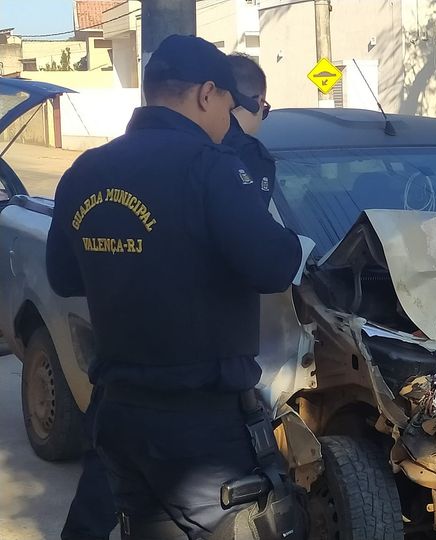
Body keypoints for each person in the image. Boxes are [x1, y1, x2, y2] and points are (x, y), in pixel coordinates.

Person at [46, 34, 306, 540]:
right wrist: (290, 240)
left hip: (119, 414)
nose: (227, 123)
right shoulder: (210, 168)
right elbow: (274, 265)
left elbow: (64, 276)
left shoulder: (85, 171)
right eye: (228, 107)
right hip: (198, 428)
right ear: (207, 94)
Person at [223, 53, 274, 205]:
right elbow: (254, 225)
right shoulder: (252, 155)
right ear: (258, 102)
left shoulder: (191, 140)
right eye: (264, 109)